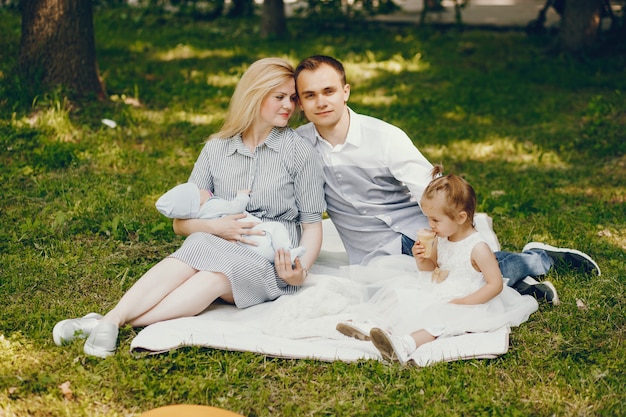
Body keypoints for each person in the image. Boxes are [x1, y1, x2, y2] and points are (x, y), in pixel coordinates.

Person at [52, 57, 326, 358]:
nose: (289, 105)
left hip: (269, 259)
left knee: (214, 277)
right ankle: (113, 319)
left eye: (293, 98)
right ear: (255, 95)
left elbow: (313, 225)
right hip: (217, 241)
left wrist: (299, 273)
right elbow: (181, 224)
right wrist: (215, 227)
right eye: (279, 97)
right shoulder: (216, 149)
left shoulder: (299, 151)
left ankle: (105, 322)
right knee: (197, 242)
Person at [293, 55, 600, 304]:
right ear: (301, 103)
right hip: (369, 252)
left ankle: (537, 259)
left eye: (328, 91)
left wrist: (448, 238)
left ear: (345, 91)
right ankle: (519, 285)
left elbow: (436, 189)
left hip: (419, 231)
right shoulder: (298, 145)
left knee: (463, 269)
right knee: (405, 296)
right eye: (310, 95)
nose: (321, 102)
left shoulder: (383, 137)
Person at [366, 168, 538, 364]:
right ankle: (377, 329)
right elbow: (433, 269)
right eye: (428, 218)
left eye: (435, 220)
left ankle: (406, 344)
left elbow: (495, 284)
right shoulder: (443, 238)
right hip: (443, 289)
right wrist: (422, 259)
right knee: (404, 296)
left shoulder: (478, 248)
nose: (430, 225)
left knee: (440, 322)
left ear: (461, 218)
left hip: (470, 300)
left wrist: (463, 303)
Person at [155, 182, 306, 263]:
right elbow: (235, 207)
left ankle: (279, 257)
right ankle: (288, 253)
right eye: (198, 191)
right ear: (198, 201)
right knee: (276, 228)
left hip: (244, 248)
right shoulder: (211, 205)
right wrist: (242, 196)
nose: (202, 189)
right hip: (257, 236)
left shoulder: (200, 216)